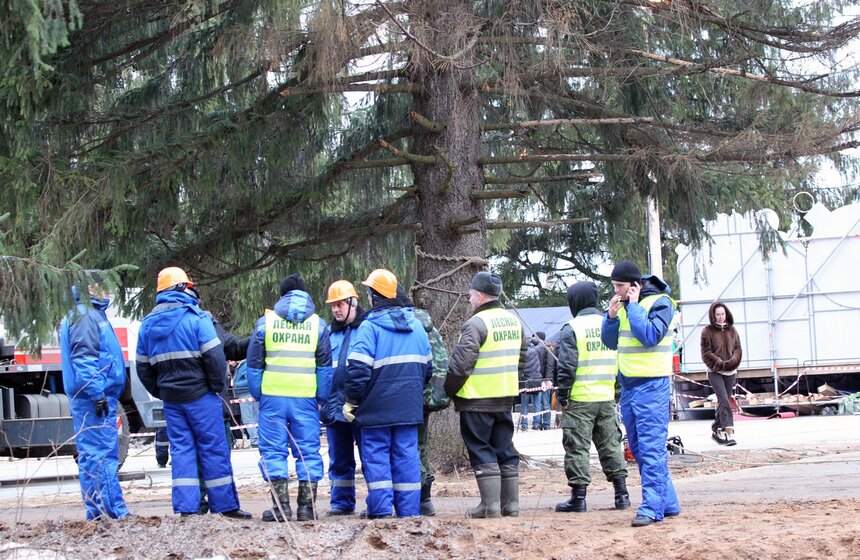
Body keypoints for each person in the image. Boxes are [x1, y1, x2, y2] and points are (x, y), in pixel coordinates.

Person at [136, 267, 251, 519]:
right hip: (202, 397)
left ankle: (188, 509)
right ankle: (225, 507)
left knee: (182, 452)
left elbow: (143, 369)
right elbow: (215, 359)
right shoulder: (197, 319)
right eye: (189, 286)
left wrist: (163, 391)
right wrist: (214, 388)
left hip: (172, 401)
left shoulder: (146, 326)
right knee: (213, 449)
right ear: (181, 288)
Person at [342, 269, 431, 519]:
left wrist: (351, 402)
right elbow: (429, 369)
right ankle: (409, 513)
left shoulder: (369, 328)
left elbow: (358, 371)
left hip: (375, 411)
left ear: (373, 296)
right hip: (408, 409)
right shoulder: (418, 326)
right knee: (407, 458)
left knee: (377, 458)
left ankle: (380, 512)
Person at [246, 273, 332, 522]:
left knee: (273, 452)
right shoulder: (318, 325)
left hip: (273, 397)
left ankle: (280, 508)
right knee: (308, 451)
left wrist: (258, 394)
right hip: (305, 398)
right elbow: (325, 367)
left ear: (282, 296)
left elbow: (254, 366)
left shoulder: (266, 323)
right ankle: (307, 508)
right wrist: (321, 397)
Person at [601, 260, 680, 527]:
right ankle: (666, 502)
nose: (616, 292)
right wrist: (610, 319)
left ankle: (651, 507)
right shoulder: (625, 306)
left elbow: (649, 335)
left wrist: (632, 307)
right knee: (638, 448)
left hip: (652, 386)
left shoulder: (661, 303)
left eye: (620, 286)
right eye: (614, 287)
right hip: (630, 387)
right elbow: (611, 342)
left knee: (650, 449)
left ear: (634, 285)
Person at [444, 271, 527, 519]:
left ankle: (489, 505)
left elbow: (461, 364)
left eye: (470, 295)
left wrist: (449, 390)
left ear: (479, 296)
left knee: (480, 448)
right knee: (504, 447)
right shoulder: (514, 322)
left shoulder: (476, 324)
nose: (469, 300)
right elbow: (522, 359)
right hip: (504, 397)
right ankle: (511, 505)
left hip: (476, 399)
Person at [554, 281, 630, 513]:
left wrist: (563, 395)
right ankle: (622, 495)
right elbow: (620, 360)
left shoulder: (571, 328)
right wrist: (616, 392)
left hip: (580, 399)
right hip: (606, 397)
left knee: (577, 448)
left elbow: (566, 366)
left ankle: (578, 498)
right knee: (611, 446)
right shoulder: (610, 322)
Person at [59, 285, 131, 520]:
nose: (105, 290)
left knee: (92, 456)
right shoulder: (87, 315)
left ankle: (97, 512)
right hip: (93, 398)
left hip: (91, 396)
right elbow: (85, 360)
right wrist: (97, 393)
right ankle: (113, 512)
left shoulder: (87, 313)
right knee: (101, 456)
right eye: (98, 286)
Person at [394, 284, 450, 517]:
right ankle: (425, 498)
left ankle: (419, 497)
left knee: (409, 446)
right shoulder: (428, 324)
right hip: (430, 393)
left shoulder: (407, 324)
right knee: (420, 445)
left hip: (413, 393)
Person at [320, 279, 365, 516]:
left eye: (340, 304)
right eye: (333, 305)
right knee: (339, 458)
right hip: (335, 407)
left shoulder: (367, 329)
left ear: (353, 302)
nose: (336, 309)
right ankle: (341, 502)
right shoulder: (328, 334)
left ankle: (377, 503)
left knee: (369, 457)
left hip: (361, 407)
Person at [700, 301, 742, 446]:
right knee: (723, 399)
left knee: (724, 402)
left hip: (730, 371)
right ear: (713, 315)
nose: (720, 317)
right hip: (715, 371)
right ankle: (728, 431)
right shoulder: (707, 331)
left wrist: (732, 361)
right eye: (717, 314)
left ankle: (716, 428)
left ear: (726, 314)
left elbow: (738, 349)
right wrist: (719, 363)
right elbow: (706, 353)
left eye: (722, 314)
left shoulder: (733, 330)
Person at [232, 361, 258, 448]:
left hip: (245, 393)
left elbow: (249, 380)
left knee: (247, 419)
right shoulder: (247, 363)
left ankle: (255, 440)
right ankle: (257, 439)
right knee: (254, 418)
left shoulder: (245, 364)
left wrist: (235, 384)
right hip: (249, 393)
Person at [518, 338, 542, 431]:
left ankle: (524, 424)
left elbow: (521, 367)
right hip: (537, 378)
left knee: (524, 404)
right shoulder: (536, 351)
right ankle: (536, 424)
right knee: (537, 404)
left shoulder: (522, 353)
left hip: (526, 380)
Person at [534, 332, 553, 430]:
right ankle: (546, 424)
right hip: (546, 379)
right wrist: (548, 379)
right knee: (546, 403)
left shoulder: (536, 349)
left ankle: (537, 424)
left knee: (538, 403)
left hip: (538, 379)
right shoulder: (548, 349)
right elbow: (550, 366)